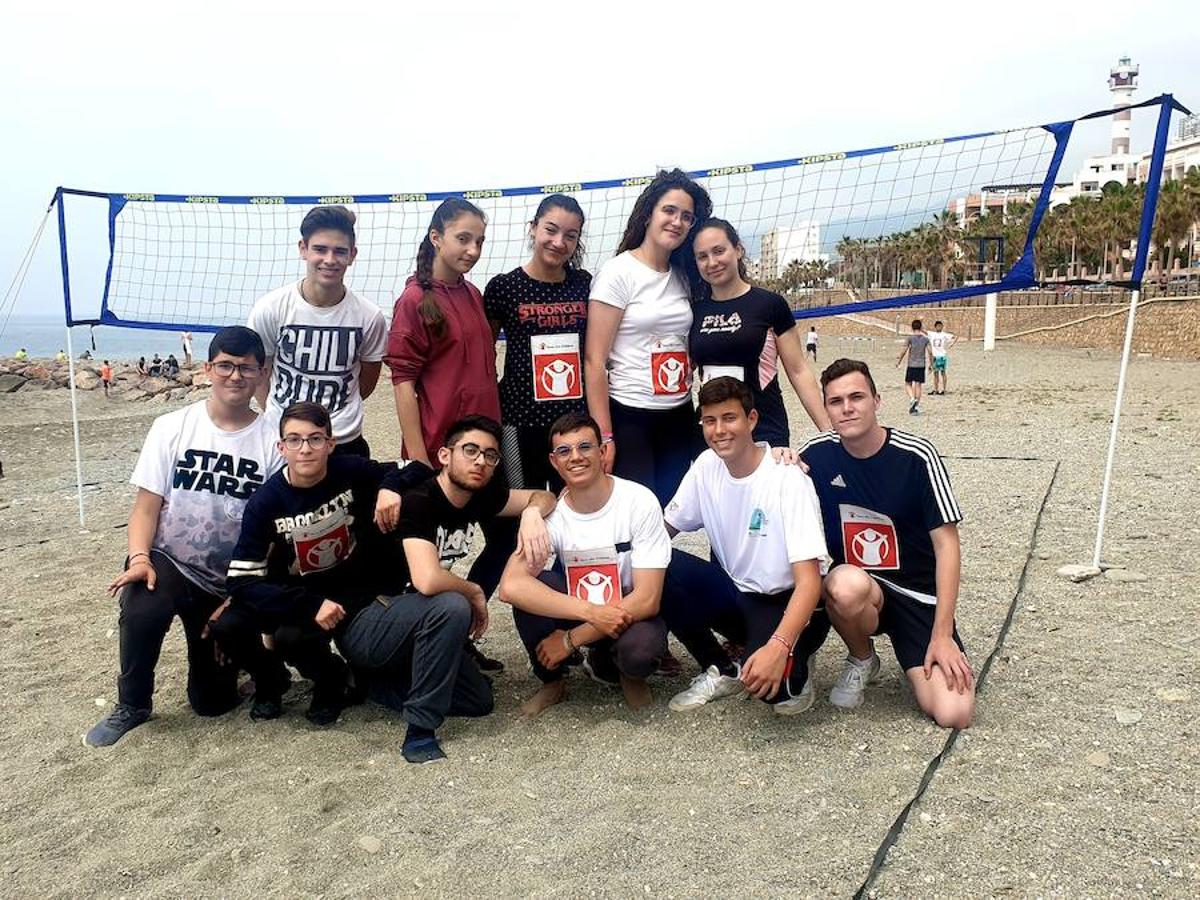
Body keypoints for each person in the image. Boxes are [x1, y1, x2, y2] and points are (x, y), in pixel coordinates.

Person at [84, 326, 283, 747]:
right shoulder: (172, 426)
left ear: (261, 373)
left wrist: (242, 593)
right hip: (170, 561)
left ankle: (241, 668)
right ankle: (133, 704)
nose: (235, 376)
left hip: (228, 579)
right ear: (209, 368)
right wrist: (139, 558)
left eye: (247, 368)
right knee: (142, 606)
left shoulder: (271, 441)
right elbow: (145, 507)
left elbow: (272, 531)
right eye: (226, 365)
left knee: (210, 703)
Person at [215, 402, 433, 726]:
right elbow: (241, 580)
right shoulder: (266, 502)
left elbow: (418, 468)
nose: (305, 449)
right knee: (228, 626)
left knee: (292, 638)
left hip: (348, 583)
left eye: (315, 439)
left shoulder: (350, 470)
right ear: (281, 447)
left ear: (330, 444)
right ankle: (271, 679)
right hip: (297, 591)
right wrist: (309, 604)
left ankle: (331, 679)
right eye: (294, 440)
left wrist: (389, 487)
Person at [358, 414, 556, 762]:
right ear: (445, 455)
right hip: (370, 621)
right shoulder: (419, 499)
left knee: (477, 701)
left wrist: (530, 515)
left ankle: (370, 684)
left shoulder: (479, 496)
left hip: (416, 624)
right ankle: (419, 731)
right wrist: (476, 592)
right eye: (470, 450)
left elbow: (542, 496)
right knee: (452, 604)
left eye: (490, 455)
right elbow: (428, 580)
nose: (480, 460)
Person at [799, 358, 974, 729]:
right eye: (835, 401)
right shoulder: (814, 455)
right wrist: (779, 457)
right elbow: (766, 475)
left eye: (856, 397)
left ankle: (927, 644)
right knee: (842, 583)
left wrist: (942, 634)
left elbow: (948, 547)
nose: (847, 408)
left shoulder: (917, 456)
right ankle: (863, 658)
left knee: (954, 713)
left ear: (877, 401)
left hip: (917, 597)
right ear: (826, 407)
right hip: (863, 589)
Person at [385, 199, 508, 667]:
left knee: (505, 537)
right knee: (426, 562)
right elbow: (402, 381)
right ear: (436, 237)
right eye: (463, 238)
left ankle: (461, 636)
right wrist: (418, 457)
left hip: (484, 450)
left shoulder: (472, 294)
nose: (473, 249)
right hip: (439, 454)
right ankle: (428, 643)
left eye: (479, 240)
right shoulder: (416, 298)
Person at [660, 377, 829, 714]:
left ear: (752, 419)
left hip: (788, 600)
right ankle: (722, 667)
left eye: (729, 418)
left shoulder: (786, 478)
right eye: (710, 421)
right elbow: (662, 531)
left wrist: (779, 646)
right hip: (737, 594)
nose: (719, 430)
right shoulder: (706, 466)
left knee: (775, 694)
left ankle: (798, 655)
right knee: (659, 562)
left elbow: (811, 582)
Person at [498, 412, 672, 718]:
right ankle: (553, 682)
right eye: (564, 451)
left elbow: (647, 599)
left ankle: (628, 674)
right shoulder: (550, 517)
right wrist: (591, 613)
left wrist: (570, 640)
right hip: (583, 609)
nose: (575, 458)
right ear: (554, 462)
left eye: (585, 447)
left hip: (628, 612)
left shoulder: (639, 500)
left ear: (603, 451)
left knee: (641, 651)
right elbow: (510, 586)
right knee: (534, 590)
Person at [584, 168, 713, 506]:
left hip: (678, 412)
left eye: (686, 216)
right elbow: (594, 361)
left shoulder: (685, 276)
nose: (677, 221)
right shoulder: (617, 273)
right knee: (637, 513)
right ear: (648, 214)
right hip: (631, 415)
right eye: (669, 211)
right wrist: (605, 436)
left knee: (670, 510)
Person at [247, 205, 387, 457]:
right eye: (320, 249)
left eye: (340, 251)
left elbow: (366, 382)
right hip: (284, 437)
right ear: (303, 248)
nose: (330, 260)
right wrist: (284, 420)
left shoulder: (370, 316)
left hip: (343, 439)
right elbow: (261, 374)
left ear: (352, 255)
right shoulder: (270, 309)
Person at [689, 219, 829, 446]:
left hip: (764, 430)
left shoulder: (770, 304)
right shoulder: (694, 312)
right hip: (713, 434)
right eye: (702, 256)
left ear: (738, 250)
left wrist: (828, 431)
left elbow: (798, 371)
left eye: (719, 251)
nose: (712, 262)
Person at [485, 194, 590, 493]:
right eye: (551, 230)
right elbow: (484, 355)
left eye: (570, 236)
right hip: (519, 422)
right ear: (533, 227)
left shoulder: (584, 283)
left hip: (572, 423)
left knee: (572, 509)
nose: (559, 242)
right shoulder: (503, 287)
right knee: (525, 507)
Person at [895, 319, 932, 415]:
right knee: (918, 385)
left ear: (912, 327)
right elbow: (930, 352)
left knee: (908, 384)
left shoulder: (910, 339)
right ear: (921, 327)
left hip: (911, 364)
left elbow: (904, 350)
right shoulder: (926, 339)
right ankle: (915, 406)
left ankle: (912, 398)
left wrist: (899, 361)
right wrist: (931, 364)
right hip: (921, 365)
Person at [926, 320, 956, 395]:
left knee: (943, 372)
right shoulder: (932, 334)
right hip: (934, 356)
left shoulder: (944, 334)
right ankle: (936, 389)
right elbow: (924, 331)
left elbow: (955, 337)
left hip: (942, 355)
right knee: (935, 373)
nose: (939, 327)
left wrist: (952, 344)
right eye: (938, 326)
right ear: (935, 327)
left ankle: (944, 389)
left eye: (940, 326)